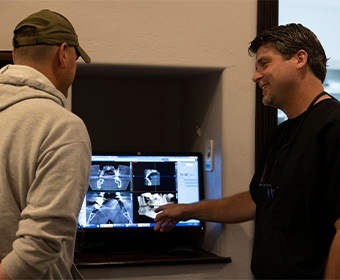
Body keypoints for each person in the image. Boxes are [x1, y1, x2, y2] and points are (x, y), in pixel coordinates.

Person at [154, 23, 340, 279]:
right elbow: (257, 199)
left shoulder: (333, 126)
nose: (255, 76)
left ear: (300, 59)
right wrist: (188, 210)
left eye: (264, 64)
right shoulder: (281, 134)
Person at [0, 9, 92, 279]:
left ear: (17, 55)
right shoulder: (63, 127)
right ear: (63, 54)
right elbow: (37, 248)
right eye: (75, 57)